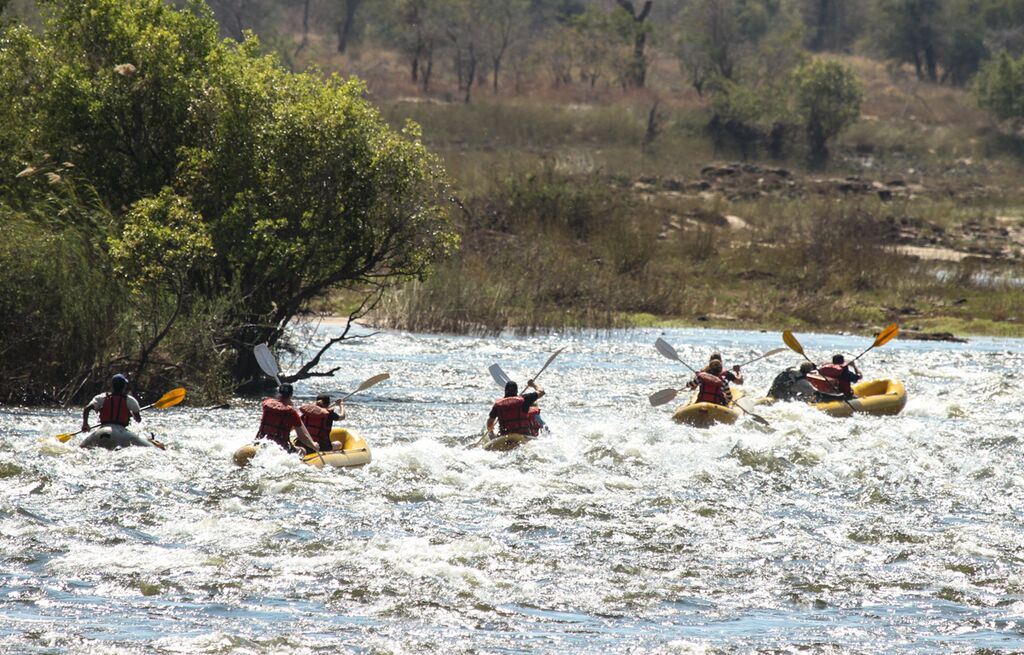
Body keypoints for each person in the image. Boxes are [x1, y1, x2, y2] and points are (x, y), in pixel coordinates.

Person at [255, 383, 320, 455]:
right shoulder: (292, 413)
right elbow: (302, 437)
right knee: (302, 451)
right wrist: (313, 445)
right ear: (291, 395)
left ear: (279, 393)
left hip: (260, 442)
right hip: (280, 448)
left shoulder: (266, 404)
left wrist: (288, 405)